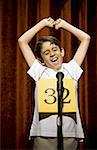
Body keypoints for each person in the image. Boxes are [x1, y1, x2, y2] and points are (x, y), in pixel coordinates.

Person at [18, 17, 90, 150]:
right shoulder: (39, 71)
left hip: (69, 133)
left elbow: (86, 38)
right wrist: (43, 23)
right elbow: (22, 41)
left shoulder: (71, 69)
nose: (52, 54)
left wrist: (64, 25)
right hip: (43, 135)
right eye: (46, 52)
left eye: (54, 49)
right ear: (42, 60)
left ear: (62, 51)